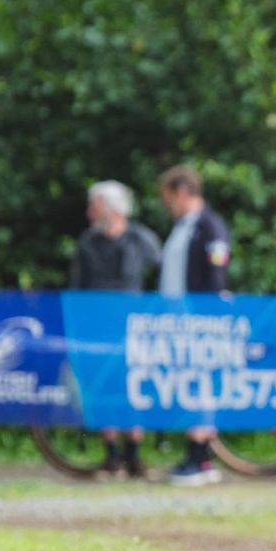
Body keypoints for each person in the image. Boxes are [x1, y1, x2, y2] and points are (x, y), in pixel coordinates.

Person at [71, 179, 162, 478]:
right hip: (98, 329)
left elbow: (161, 275)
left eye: (94, 206)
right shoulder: (87, 243)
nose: (88, 212)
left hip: (134, 328)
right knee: (103, 389)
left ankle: (134, 454)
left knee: (134, 387)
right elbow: (77, 288)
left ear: (110, 208)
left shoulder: (141, 240)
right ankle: (111, 455)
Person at [157, 164, 232, 487]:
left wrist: (207, 313)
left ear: (182, 192)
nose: (168, 206)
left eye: (169, 198)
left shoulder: (209, 226)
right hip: (179, 318)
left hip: (199, 318)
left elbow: (216, 273)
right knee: (190, 383)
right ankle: (195, 453)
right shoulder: (184, 226)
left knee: (201, 384)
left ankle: (200, 456)